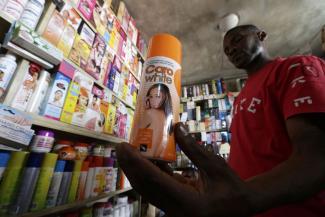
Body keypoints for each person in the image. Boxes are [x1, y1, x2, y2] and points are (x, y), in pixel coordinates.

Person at [116, 24, 325, 217]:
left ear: (261, 35)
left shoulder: (296, 67)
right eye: (226, 50)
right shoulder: (241, 96)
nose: (231, 50)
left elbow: (316, 157)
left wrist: (244, 198)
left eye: (236, 40)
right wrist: (208, 188)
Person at [132, 83, 174, 159]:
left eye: (157, 96)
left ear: (165, 97)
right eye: (151, 97)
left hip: (143, 157)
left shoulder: (150, 113)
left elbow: (135, 134)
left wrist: (144, 109)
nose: (153, 100)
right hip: (158, 158)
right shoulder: (167, 116)